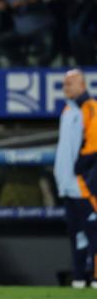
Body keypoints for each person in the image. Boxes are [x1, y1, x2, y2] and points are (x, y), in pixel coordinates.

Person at [56, 69, 97, 287]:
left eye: (70, 84)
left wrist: (79, 167)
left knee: (94, 232)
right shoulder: (67, 111)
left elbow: (94, 145)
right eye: (64, 84)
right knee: (76, 234)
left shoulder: (90, 108)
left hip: (84, 185)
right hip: (67, 185)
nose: (66, 88)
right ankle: (79, 278)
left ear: (82, 85)